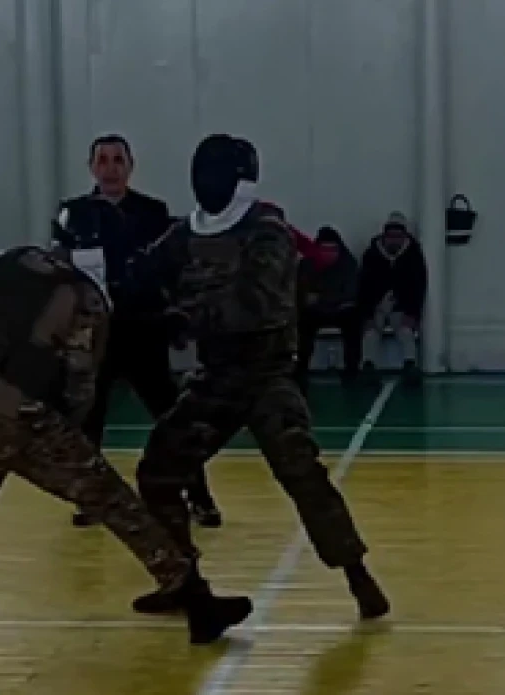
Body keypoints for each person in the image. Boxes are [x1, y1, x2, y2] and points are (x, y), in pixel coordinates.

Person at [0, 244, 252, 645]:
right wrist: (70, 434)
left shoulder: (0, 264)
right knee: (117, 504)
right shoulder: (86, 298)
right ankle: (199, 605)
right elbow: (80, 382)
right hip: (27, 420)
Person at [127, 134, 390, 620]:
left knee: (302, 474)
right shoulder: (187, 232)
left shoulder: (268, 230)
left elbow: (257, 303)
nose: (206, 180)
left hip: (266, 376)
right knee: (158, 472)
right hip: (215, 379)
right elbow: (144, 271)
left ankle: (357, 573)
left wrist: (184, 317)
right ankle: (182, 581)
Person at [54, 134, 221, 528]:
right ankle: (91, 499)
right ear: (91, 167)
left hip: (144, 330)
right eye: (103, 160)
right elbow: (59, 270)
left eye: (118, 160)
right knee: (88, 420)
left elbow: (172, 267)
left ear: (130, 166)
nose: (110, 168)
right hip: (96, 334)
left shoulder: (152, 212)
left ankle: (198, 496)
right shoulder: (72, 213)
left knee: (173, 416)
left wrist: (178, 315)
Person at [358, 211, 427, 384]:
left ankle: (410, 365)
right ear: (384, 236)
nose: (394, 240)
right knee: (370, 333)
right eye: (391, 236)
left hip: (401, 306)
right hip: (376, 305)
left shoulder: (414, 256)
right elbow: (363, 287)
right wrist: (366, 315)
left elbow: (418, 287)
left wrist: (412, 314)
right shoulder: (371, 255)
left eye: (398, 236)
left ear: (404, 237)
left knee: (405, 332)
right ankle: (368, 366)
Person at [295, 226, 361, 389]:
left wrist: (321, 298)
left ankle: (352, 371)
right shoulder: (307, 264)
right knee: (304, 322)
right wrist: (331, 298)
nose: (329, 254)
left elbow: (351, 294)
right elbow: (302, 293)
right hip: (316, 312)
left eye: (333, 250)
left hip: (340, 311)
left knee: (354, 320)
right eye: (324, 249)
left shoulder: (349, 264)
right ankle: (301, 370)